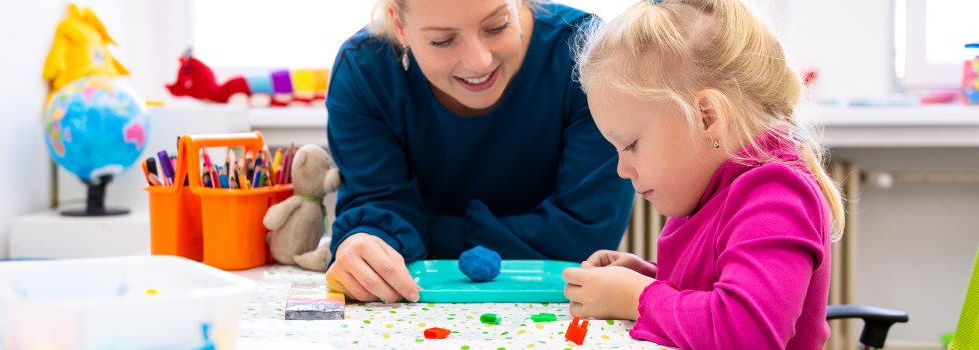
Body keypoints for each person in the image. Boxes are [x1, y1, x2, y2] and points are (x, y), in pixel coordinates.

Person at [563, 0, 845, 348]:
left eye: (631, 144)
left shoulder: (776, 196)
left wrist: (637, 296)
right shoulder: (710, 187)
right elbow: (715, 290)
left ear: (707, 117)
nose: (622, 169)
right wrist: (648, 277)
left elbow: (746, 332)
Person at [324, 0, 636, 304]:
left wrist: (421, 234)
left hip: (561, 304)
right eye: (442, 41)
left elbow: (586, 236)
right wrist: (363, 244)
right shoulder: (362, 72)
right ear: (399, 25)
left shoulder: (589, 54)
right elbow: (378, 216)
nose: (479, 62)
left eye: (497, 26)